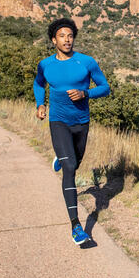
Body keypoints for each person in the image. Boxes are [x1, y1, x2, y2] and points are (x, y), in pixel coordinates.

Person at [33, 18, 110, 245]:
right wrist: (40, 104)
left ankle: (62, 156)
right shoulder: (45, 64)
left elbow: (105, 87)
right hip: (58, 121)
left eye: (70, 35)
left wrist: (85, 94)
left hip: (81, 122)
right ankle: (76, 225)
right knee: (69, 168)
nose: (67, 40)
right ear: (53, 40)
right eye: (62, 36)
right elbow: (39, 84)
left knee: (74, 163)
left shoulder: (86, 62)